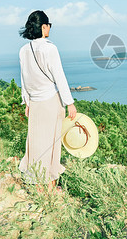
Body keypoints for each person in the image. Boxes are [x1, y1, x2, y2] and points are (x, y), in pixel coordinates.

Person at [18, 10, 77, 192]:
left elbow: (24, 78)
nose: (49, 28)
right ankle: (51, 186)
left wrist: (26, 102)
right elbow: (59, 76)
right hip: (50, 101)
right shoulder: (50, 48)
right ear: (44, 27)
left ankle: (38, 186)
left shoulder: (24, 50)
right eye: (49, 25)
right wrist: (70, 103)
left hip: (35, 102)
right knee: (51, 144)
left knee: (36, 144)